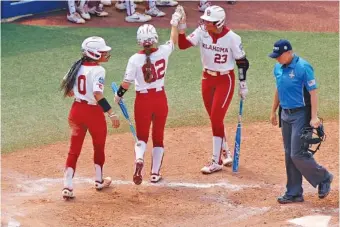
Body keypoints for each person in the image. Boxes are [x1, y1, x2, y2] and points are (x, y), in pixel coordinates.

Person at [172, 5, 249, 174]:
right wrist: (181, 27)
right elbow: (183, 45)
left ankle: (216, 161)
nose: (205, 24)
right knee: (215, 118)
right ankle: (226, 151)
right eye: (205, 21)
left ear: (219, 23)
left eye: (209, 22)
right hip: (207, 79)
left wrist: (243, 84)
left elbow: (242, 62)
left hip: (225, 80)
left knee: (216, 117)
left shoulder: (232, 38)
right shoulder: (202, 32)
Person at [269, 39, 333, 204]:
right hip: (285, 114)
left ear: (289, 53)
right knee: (289, 153)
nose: (277, 59)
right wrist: (273, 111)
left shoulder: (303, 67)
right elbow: (279, 88)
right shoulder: (278, 67)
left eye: (279, 56)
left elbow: (313, 92)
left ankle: (324, 177)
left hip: (300, 114)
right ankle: (294, 192)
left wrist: (314, 117)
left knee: (297, 154)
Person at [114, 22, 178, 185]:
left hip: (142, 101)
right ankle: (155, 173)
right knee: (158, 137)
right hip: (160, 99)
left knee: (141, 137)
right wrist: (174, 23)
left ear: (139, 41)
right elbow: (173, 39)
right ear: (155, 38)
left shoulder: (134, 59)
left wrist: (118, 95)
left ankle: (140, 159)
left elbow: (126, 83)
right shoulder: (163, 52)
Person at [60, 36, 120, 200]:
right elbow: (97, 94)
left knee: (74, 150)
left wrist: (74, 91)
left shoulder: (76, 66)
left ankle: (67, 186)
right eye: (102, 52)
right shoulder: (99, 70)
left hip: (76, 111)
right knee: (98, 146)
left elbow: (65, 81)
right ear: (93, 53)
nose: (105, 54)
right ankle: (99, 181)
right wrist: (111, 113)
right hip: (93, 113)